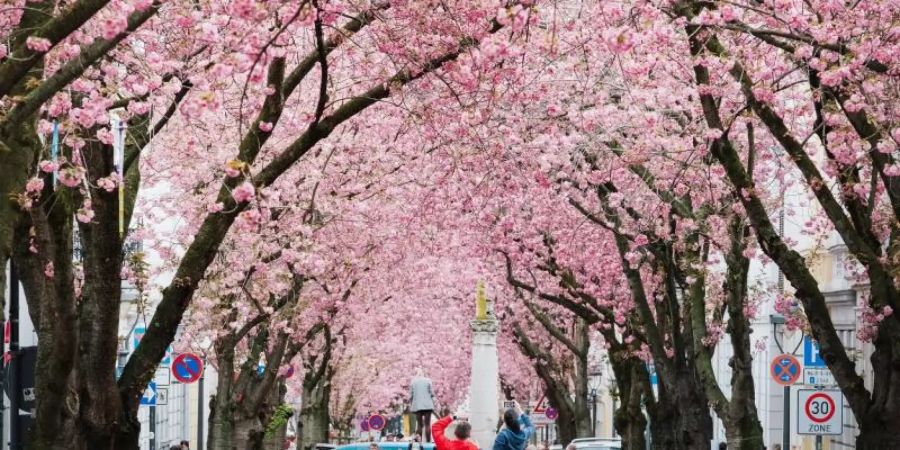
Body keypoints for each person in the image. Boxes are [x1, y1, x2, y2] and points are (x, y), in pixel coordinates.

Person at [410, 368, 436, 442]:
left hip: (417, 405)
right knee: (427, 424)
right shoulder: (428, 381)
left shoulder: (413, 382)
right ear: (423, 374)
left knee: (419, 425)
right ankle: (428, 441)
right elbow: (432, 393)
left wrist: (411, 402)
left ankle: (419, 441)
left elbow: (410, 395)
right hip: (428, 405)